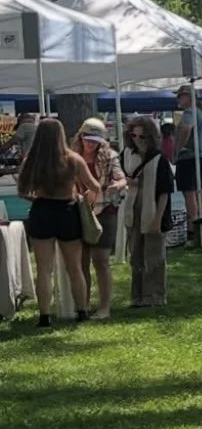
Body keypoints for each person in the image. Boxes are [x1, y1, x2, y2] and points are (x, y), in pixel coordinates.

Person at [17, 117, 101, 327]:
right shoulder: (73, 159)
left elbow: (22, 190)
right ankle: (82, 311)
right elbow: (95, 186)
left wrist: (35, 198)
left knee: (44, 269)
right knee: (74, 267)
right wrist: (83, 194)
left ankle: (44, 316)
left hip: (42, 210)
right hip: (67, 211)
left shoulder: (31, 160)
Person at [73, 118, 127, 321]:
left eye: (95, 140)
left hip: (105, 211)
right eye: (87, 138)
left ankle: (105, 308)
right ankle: (83, 306)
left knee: (101, 260)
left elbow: (121, 177)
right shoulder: (72, 157)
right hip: (79, 212)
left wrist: (118, 185)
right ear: (80, 136)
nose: (90, 143)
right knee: (81, 261)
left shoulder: (110, 156)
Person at [122, 116, 174, 308]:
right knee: (135, 257)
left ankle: (154, 296)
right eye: (133, 135)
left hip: (153, 211)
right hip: (132, 210)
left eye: (142, 136)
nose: (137, 139)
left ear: (151, 137)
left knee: (154, 257)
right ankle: (137, 296)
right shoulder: (126, 155)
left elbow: (165, 192)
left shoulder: (160, 160)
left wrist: (157, 220)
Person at [173, 85, 202, 233]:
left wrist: (180, 147)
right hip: (201, 155)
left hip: (188, 156)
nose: (178, 99)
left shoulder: (190, 112)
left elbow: (186, 128)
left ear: (188, 97)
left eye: (180, 96)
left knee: (189, 192)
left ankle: (192, 227)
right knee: (198, 190)